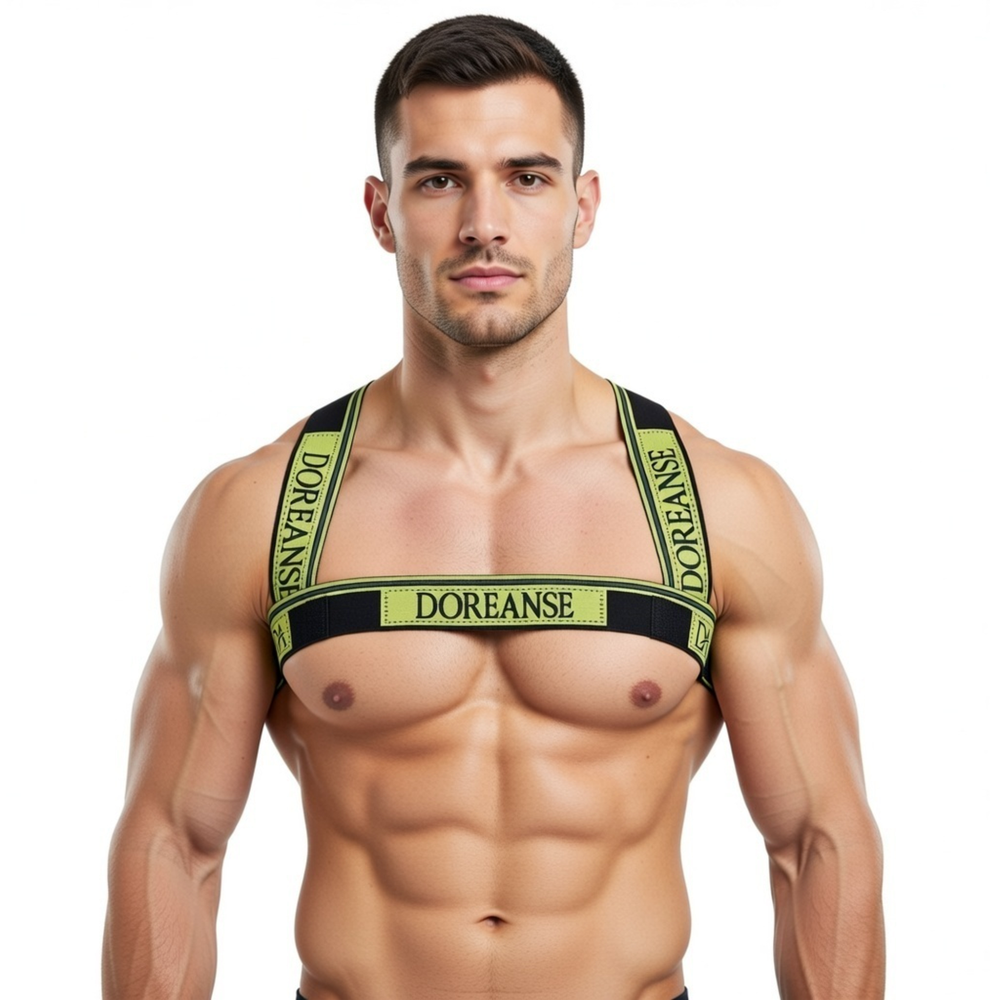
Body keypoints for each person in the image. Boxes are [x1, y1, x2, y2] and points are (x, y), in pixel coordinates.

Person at [103, 15, 884, 1000]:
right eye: (440, 179)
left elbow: (816, 837)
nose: (484, 223)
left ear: (582, 206)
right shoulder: (263, 509)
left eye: (526, 177)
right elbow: (174, 840)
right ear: (381, 211)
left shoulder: (716, 504)